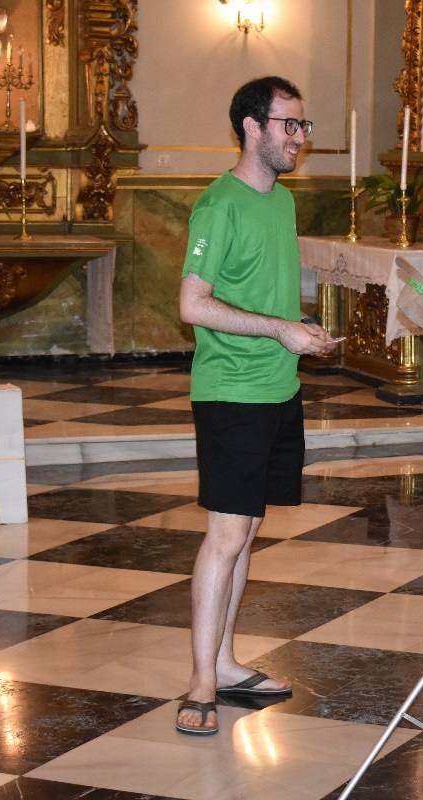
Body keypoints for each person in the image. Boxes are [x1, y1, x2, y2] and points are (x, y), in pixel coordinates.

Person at [174, 76, 335, 736]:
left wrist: (298, 327)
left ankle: (228, 662)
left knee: (246, 535)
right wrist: (276, 329)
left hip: (278, 388)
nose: (300, 137)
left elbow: (259, 290)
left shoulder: (281, 204)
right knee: (226, 535)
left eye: (303, 125)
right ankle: (202, 681)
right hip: (232, 392)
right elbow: (192, 303)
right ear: (251, 127)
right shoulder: (220, 205)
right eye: (289, 125)